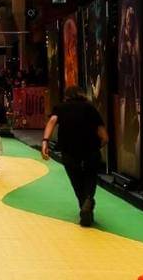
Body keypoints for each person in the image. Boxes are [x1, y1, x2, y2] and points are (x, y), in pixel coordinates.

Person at [41, 85, 109, 227]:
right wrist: (97, 146)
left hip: (69, 150)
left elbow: (52, 121)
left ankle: (84, 205)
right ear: (81, 94)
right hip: (90, 150)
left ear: (66, 96)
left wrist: (45, 141)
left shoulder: (61, 108)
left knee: (76, 179)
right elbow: (104, 137)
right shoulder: (90, 108)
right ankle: (88, 199)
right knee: (90, 177)